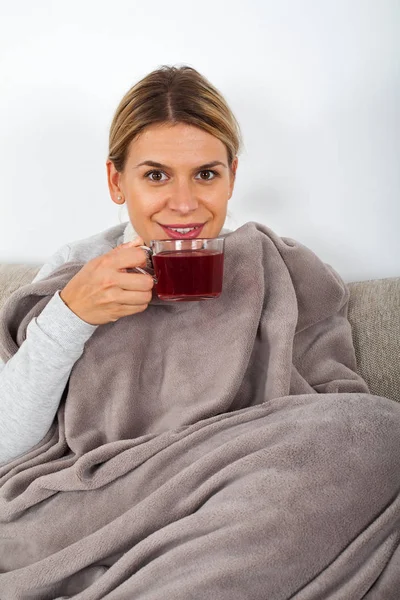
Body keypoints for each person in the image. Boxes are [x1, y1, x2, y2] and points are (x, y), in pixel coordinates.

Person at [0, 65, 399, 599]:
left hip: (241, 496)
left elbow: (333, 416)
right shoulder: (74, 272)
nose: (184, 203)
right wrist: (71, 315)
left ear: (232, 175)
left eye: (206, 174)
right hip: (104, 499)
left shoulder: (279, 269)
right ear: (117, 181)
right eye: (156, 175)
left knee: (379, 429)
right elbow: (7, 447)